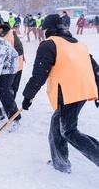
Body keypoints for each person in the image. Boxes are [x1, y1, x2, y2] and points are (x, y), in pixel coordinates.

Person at [21, 14, 99, 173]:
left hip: (69, 93)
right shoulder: (78, 44)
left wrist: (28, 96)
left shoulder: (49, 45)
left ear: (48, 30)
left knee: (68, 131)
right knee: (57, 126)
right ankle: (60, 163)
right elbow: (94, 68)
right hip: (82, 90)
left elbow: (39, 75)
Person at [0, 13, 24, 99]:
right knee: (0, 88)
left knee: (11, 88)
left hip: (16, 66)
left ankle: (10, 109)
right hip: (1, 67)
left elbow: (20, 50)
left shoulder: (11, 34)